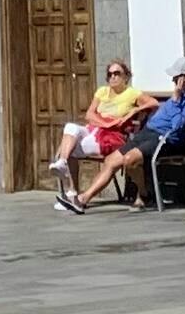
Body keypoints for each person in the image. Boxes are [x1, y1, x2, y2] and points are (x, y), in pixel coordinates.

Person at [72, 66, 185, 211]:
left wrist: (175, 100)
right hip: (148, 131)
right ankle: (83, 199)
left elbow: (178, 126)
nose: (173, 81)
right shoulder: (182, 93)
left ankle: (144, 195)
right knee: (111, 160)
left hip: (165, 138)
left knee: (130, 160)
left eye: (176, 78)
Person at [51, 58, 147, 208]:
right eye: (110, 74)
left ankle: (73, 194)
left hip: (112, 137)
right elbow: (89, 115)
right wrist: (105, 123)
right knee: (70, 127)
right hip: (95, 129)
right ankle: (63, 165)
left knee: (70, 148)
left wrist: (135, 110)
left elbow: (152, 103)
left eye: (117, 73)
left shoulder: (132, 93)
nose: (113, 77)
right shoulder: (102, 91)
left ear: (126, 77)